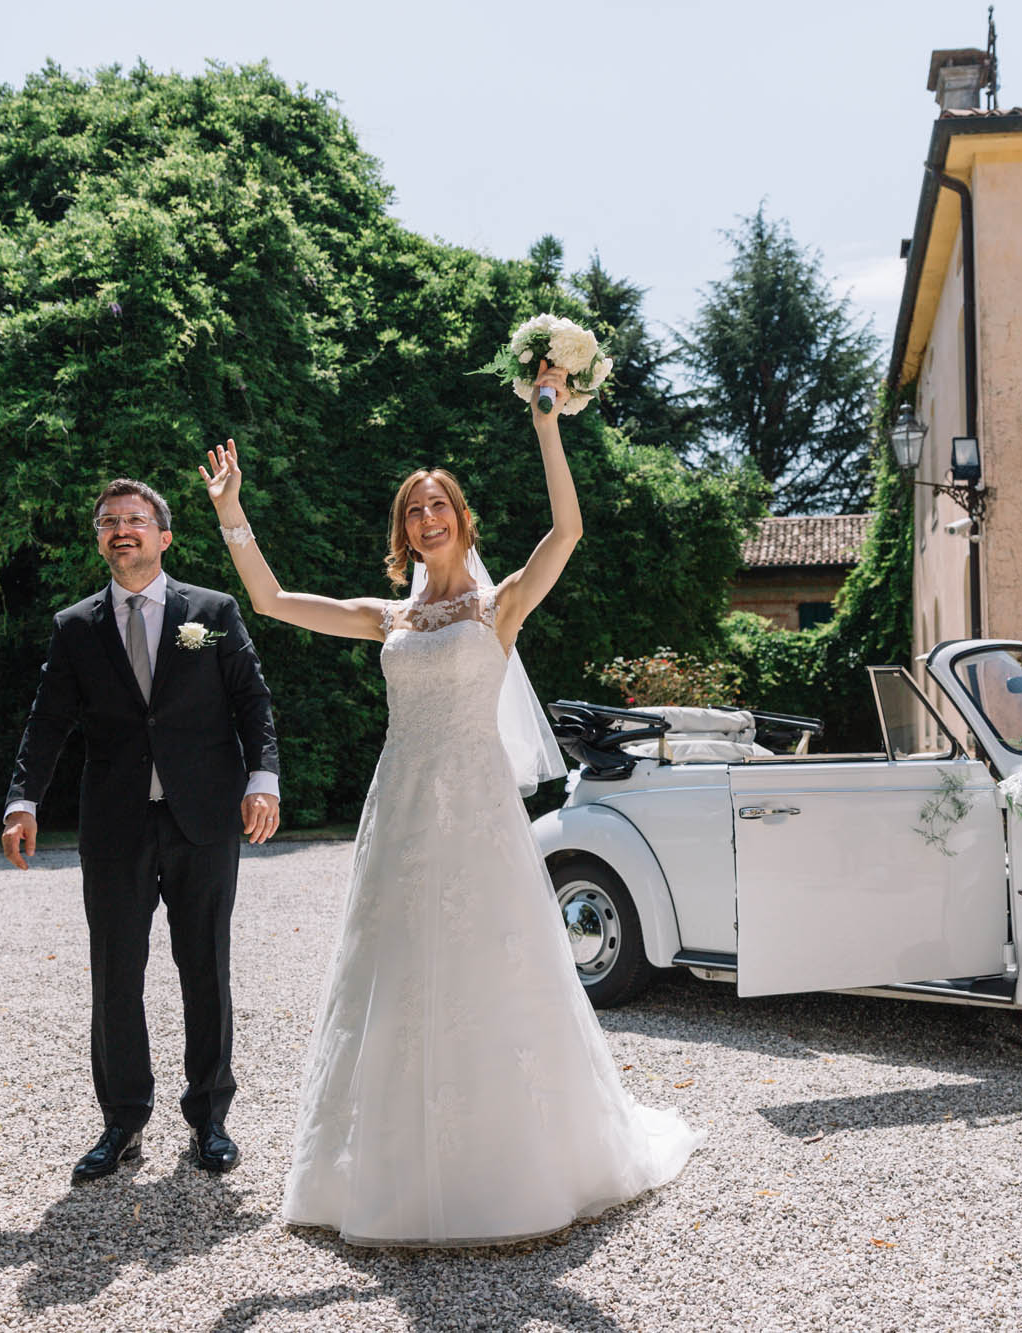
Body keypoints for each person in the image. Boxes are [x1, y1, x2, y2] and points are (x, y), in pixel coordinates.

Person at [201, 359, 697, 1247]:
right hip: (399, 810)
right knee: (393, 971)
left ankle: (512, 1165)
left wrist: (547, 424)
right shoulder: (386, 617)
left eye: (439, 505)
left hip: (476, 814)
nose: (427, 517)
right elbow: (271, 602)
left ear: (461, 518)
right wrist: (231, 512)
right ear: (403, 531)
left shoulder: (498, 607)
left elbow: (568, 529)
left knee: (491, 967)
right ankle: (388, 1170)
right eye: (413, 510)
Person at [1, 478, 281, 1182]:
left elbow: (251, 700)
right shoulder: (75, 626)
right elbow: (47, 720)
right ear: (100, 538)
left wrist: (264, 778)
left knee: (205, 967)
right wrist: (23, 800)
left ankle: (209, 1117)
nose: (121, 529)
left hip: (203, 818)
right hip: (116, 824)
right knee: (116, 973)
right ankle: (122, 1120)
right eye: (109, 521)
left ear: (164, 536)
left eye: (135, 519)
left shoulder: (211, 612)